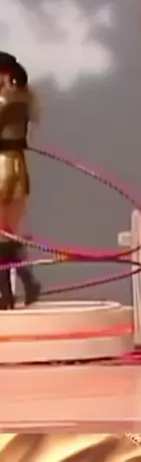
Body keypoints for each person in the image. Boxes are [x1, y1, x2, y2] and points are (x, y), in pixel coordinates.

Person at [0, 53, 41, 309]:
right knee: (7, 234)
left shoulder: (7, 100)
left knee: (3, 234)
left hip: (3, 166)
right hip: (16, 164)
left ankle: (7, 292)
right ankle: (21, 284)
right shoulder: (25, 98)